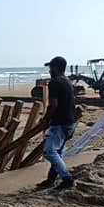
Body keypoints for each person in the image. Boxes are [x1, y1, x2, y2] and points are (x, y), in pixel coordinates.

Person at [37, 56, 77, 189]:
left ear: (55, 68)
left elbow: (53, 105)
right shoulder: (67, 81)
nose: (49, 70)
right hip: (70, 122)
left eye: (50, 67)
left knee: (49, 151)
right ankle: (51, 179)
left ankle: (67, 179)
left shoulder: (54, 82)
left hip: (60, 123)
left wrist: (46, 119)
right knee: (58, 152)